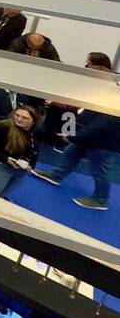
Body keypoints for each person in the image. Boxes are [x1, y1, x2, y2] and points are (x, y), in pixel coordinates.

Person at [32, 54, 120, 209]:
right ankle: (55, 175)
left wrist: (74, 136)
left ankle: (100, 199)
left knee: (100, 170)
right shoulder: (102, 95)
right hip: (90, 137)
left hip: (105, 143)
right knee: (70, 154)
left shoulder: (112, 101)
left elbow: (100, 125)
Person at [0, 105, 40, 198]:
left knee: (2, 195)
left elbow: (35, 149)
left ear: (33, 121)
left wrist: (31, 165)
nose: (19, 119)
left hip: (20, 169)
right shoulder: (2, 126)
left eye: (25, 118)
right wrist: (5, 158)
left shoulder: (34, 133)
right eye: (17, 115)